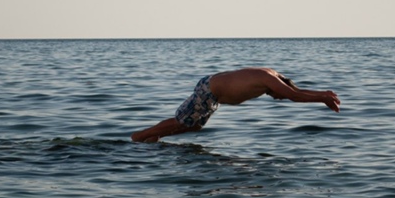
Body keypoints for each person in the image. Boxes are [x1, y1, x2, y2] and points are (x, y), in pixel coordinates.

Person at [131, 67, 340, 143]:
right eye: (278, 96)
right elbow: (294, 95)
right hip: (209, 89)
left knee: (193, 126)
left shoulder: (274, 78)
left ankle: (152, 139)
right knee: (183, 121)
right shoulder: (269, 78)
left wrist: (322, 93)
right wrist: (322, 98)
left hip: (212, 92)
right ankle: (140, 136)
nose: (277, 99)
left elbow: (295, 91)